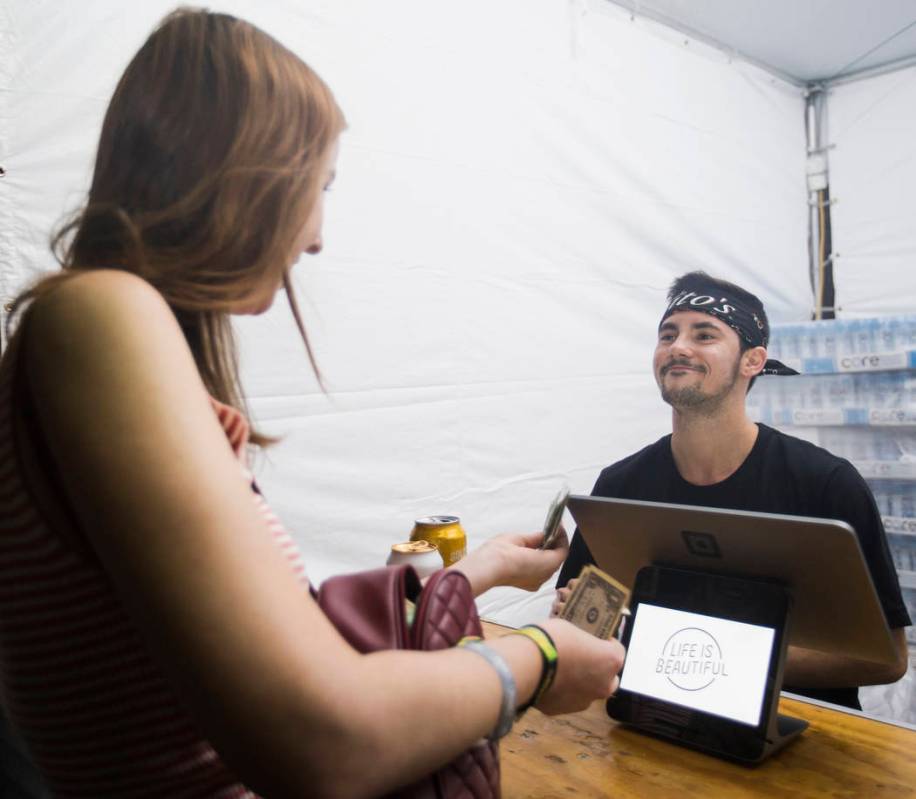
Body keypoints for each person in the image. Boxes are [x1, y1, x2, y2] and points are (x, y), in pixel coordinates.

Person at [0, 10, 625, 798]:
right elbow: (326, 737)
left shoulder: (97, 336)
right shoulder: (100, 314)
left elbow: (259, 639)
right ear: (244, 170)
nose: (318, 237)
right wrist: (539, 658)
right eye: (317, 186)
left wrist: (486, 567)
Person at [554, 271, 911, 710]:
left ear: (753, 360)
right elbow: (581, 622)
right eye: (668, 334)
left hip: (801, 741)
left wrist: (723, 660)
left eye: (704, 335)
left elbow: (888, 659)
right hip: (651, 725)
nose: (678, 347)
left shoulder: (825, 486)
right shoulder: (620, 487)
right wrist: (579, 624)